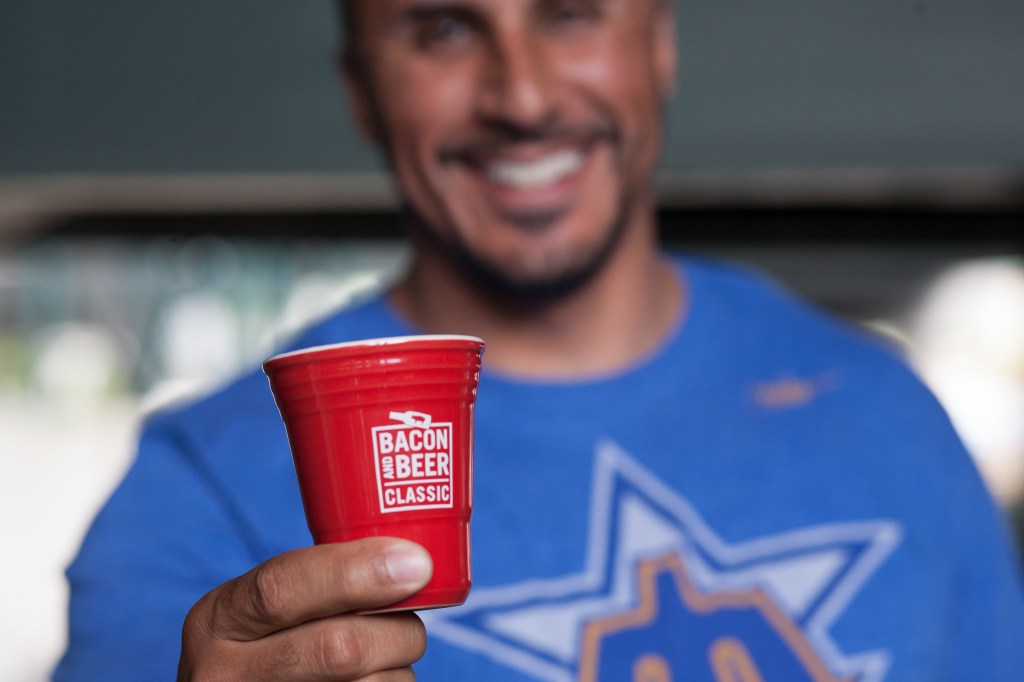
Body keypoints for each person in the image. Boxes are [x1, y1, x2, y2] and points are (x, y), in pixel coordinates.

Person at [56, 0, 1024, 679]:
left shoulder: (886, 413)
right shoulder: (199, 492)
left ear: (661, 40)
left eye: (569, 12)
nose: (520, 97)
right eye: (442, 28)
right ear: (359, 90)